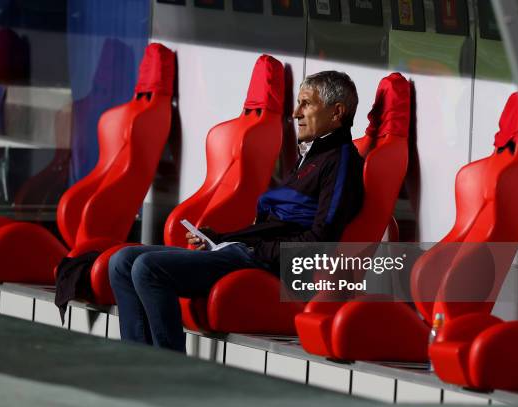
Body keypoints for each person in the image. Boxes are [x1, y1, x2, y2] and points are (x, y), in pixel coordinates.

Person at [109, 71, 365, 352]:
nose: (295, 113)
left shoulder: (341, 162)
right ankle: (138, 365)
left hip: (270, 268)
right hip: (246, 251)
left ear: (337, 112)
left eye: (306, 103)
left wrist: (255, 250)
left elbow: (321, 241)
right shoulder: (312, 156)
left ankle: (171, 373)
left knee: (148, 269)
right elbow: (276, 225)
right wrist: (218, 238)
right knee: (121, 262)